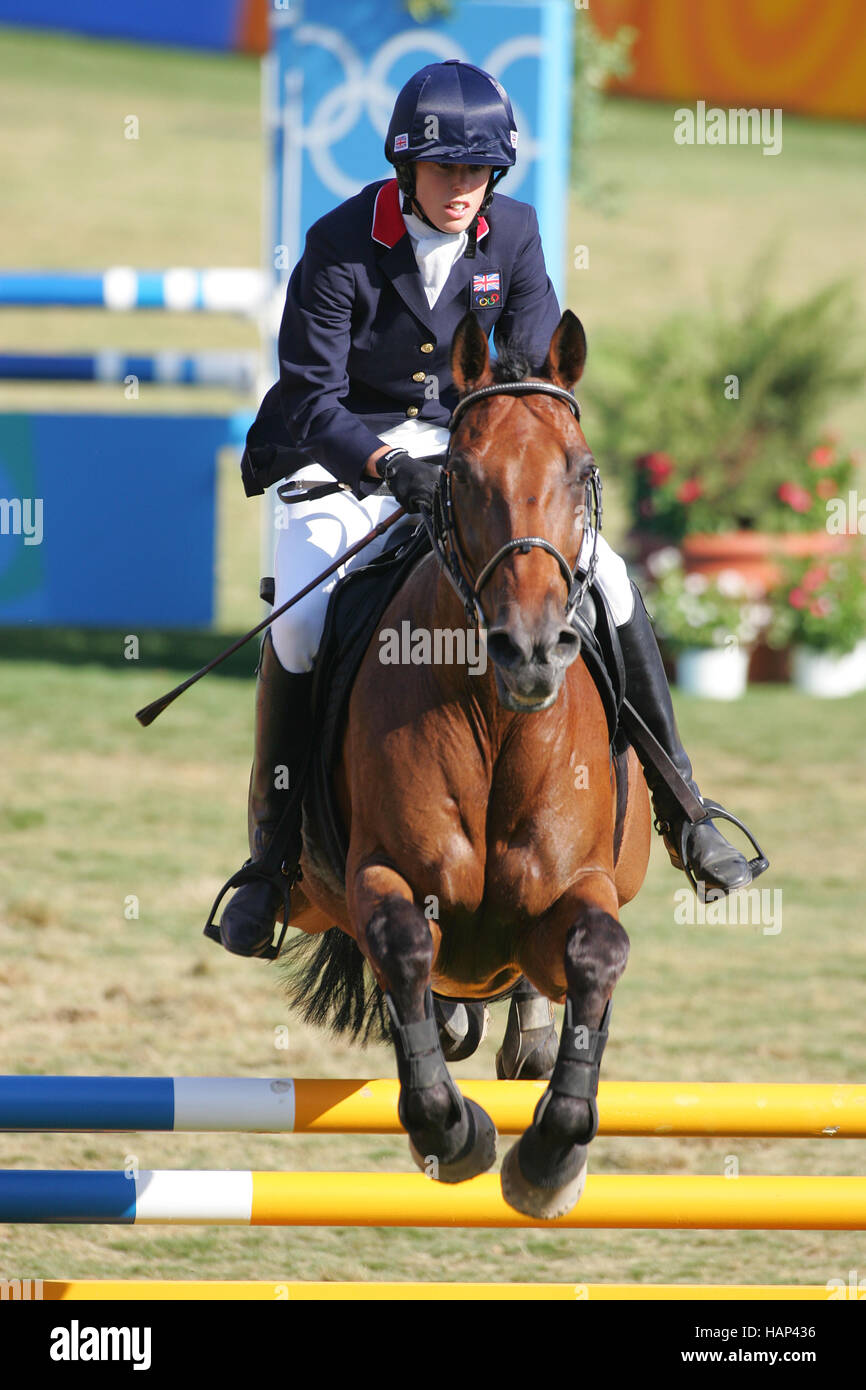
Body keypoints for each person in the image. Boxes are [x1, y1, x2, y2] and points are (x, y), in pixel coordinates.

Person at [215, 59, 753, 959]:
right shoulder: (340, 243)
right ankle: (272, 858)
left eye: (478, 172)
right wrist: (390, 465)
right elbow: (310, 396)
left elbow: (535, 374)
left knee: (610, 584)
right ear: (405, 171)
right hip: (340, 455)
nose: (463, 189)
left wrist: (493, 462)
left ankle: (684, 808)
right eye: (445, 171)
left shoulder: (517, 235)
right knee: (304, 622)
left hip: (471, 446)